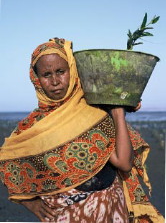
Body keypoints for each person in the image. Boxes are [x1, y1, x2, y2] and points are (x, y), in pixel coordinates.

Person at [0, 38, 164, 223]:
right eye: (46, 75)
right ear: (36, 79)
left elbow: (124, 163)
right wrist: (30, 202)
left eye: (61, 72)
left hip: (111, 206)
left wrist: (118, 111)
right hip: (66, 214)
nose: (55, 81)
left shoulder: (93, 111)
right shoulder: (32, 127)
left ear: (73, 70)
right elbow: (8, 163)